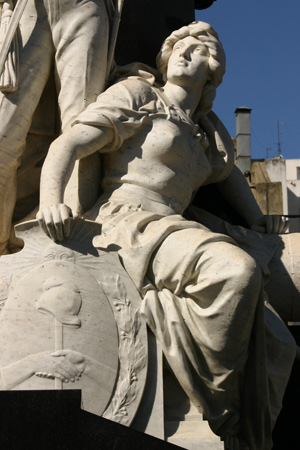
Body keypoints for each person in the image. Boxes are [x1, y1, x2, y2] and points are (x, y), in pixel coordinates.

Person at [36, 21, 299, 450]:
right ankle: (219, 411)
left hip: (176, 226)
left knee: (276, 338)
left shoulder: (207, 131)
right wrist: (53, 201)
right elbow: (67, 145)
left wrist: (258, 219)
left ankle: (214, 400)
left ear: (212, 71)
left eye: (196, 50)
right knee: (237, 272)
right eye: (177, 46)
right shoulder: (139, 95)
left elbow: (229, 175)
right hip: (129, 222)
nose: (182, 53)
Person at [0, 0, 115, 255]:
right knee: (3, 136)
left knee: (80, 125)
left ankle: (68, 243)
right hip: (27, 6)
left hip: (84, 5)